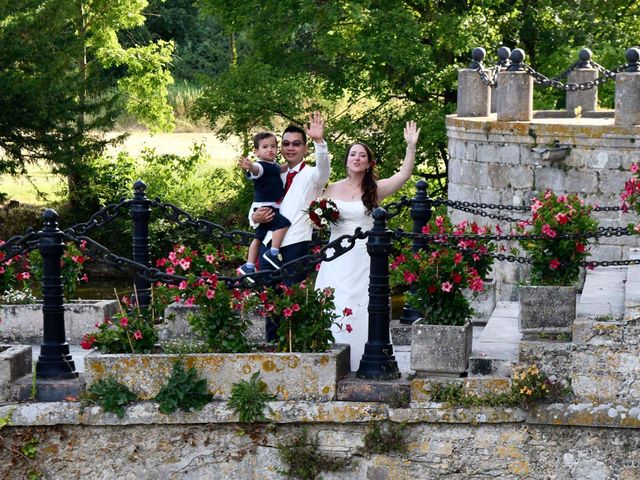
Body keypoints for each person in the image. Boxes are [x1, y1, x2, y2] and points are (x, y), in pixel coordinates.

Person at [315, 120, 420, 371]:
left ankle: (366, 357)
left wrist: (411, 147)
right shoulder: (330, 189)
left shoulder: (375, 190)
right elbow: (316, 216)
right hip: (336, 257)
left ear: (368, 162)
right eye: (353, 154)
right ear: (347, 160)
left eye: (362, 155)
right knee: (335, 300)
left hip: (363, 256)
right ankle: (331, 357)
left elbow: (404, 175)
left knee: (364, 303)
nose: (357, 158)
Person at [250, 112, 330, 340]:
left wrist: (319, 142)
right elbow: (258, 202)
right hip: (268, 244)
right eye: (285, 144)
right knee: (269, 299)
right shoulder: (271, 172)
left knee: (291, 300)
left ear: (305, 148)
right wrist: (254, 218)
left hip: (295, 244)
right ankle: (272, 349)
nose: (290, 148)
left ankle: (294, 349)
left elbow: (324, 170)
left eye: (296, 144)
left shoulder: (312, 175)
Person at [237, 132, 290, 276]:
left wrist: (293, 163)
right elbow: (256, 170)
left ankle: (249, 265)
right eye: (265, 147)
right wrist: (250, 166)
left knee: (258, 238)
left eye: (273, 146)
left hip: (264, 206)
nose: (270, 149)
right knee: (283, 224)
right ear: (257, 152)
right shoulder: (261, 166)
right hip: (267, 208)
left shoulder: (272, 166)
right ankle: (273, 252)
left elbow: (280, 169)